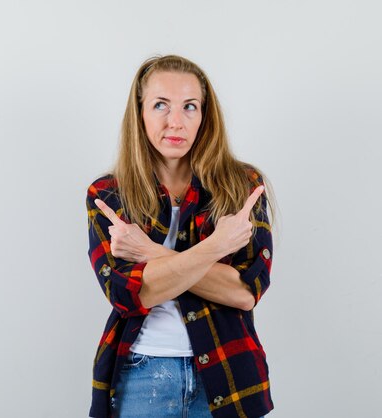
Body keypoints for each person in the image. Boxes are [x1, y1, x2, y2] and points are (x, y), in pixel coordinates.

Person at [85, 55, 276, 418]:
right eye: (161, 105)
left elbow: (244, 292)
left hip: (228, 373)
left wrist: (151, 252)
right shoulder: (108, 195)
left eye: (190, 107)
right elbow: (130, 294)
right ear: (139, 113)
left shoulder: (242, 186)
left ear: (205, 115)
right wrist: (217, 248)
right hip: (140, 375)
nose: (176, 122)